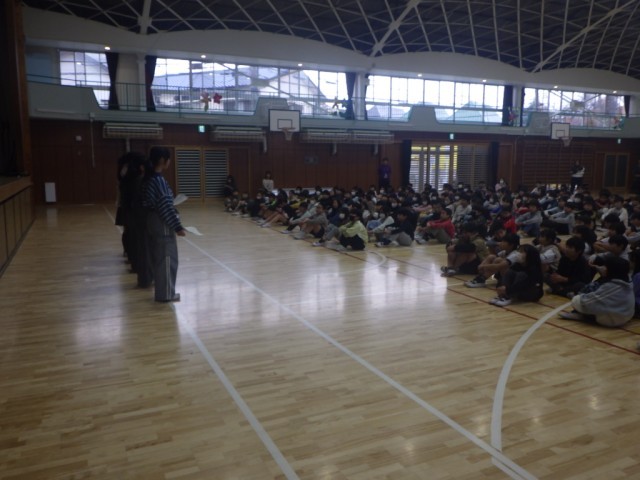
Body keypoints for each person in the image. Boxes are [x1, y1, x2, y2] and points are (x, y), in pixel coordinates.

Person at [143, 146, 186, 303]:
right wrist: (178, 226)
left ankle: (164, 291)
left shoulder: (149, 179)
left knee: (160, 258)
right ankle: (166, 294)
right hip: (161, 224)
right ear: (162, 160)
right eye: (168, 159)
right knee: (167, 259)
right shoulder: (158, 181)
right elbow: (165, 206)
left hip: (152, 222)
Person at [559, 256, 634, 327]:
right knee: (585, 288)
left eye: (605, 266)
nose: (603, 268)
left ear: (611, 269)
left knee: (583, 295)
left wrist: (576, 299)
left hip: (613, 320)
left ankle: (579, 314)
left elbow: (587, 302)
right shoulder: (626, 282)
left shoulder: (612, 287)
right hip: (625, 316)